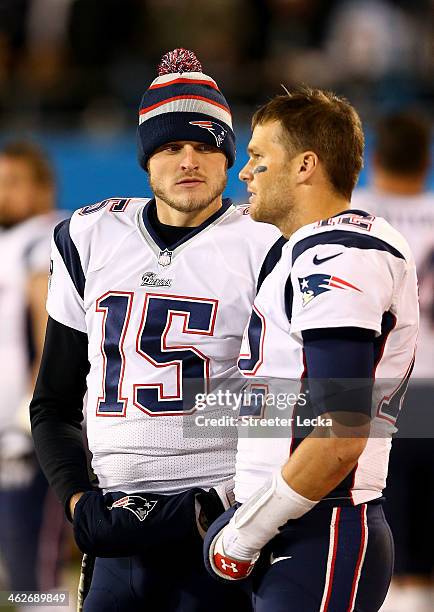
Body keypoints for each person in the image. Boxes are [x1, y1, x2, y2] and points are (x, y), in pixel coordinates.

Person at [29, 48, 279, 612]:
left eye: (205, 145)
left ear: (228, 158)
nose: (188, 160)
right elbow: (53, 402)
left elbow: (320, 403)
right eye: (170, 146)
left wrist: (224, 494)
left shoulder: (267, 247)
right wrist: (77, 500)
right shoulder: (89, 237)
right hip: (114, 526)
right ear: (146, 159)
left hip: (222, 527)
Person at [204, 87, 419, 612]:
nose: (244, 173)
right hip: (295, 520)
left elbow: (340, 434)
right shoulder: (307, 247)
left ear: (304, 165)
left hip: (322, 525)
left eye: (258, 157)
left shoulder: (338, 255)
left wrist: (244, 534)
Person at [353, 112, 434, 612]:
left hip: (377, 394)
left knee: (381, 542)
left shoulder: (355, 215)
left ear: (376, 158)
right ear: (426, 162)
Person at [0, 142, 66, 592]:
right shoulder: (11, 242)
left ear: (44, 189)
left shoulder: (45, 235)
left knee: (32, 569)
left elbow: (47, 329)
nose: (3, 193)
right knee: (19, 563)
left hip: (27, 430)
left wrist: (32, 409)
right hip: (9, 428)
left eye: (14, 182)